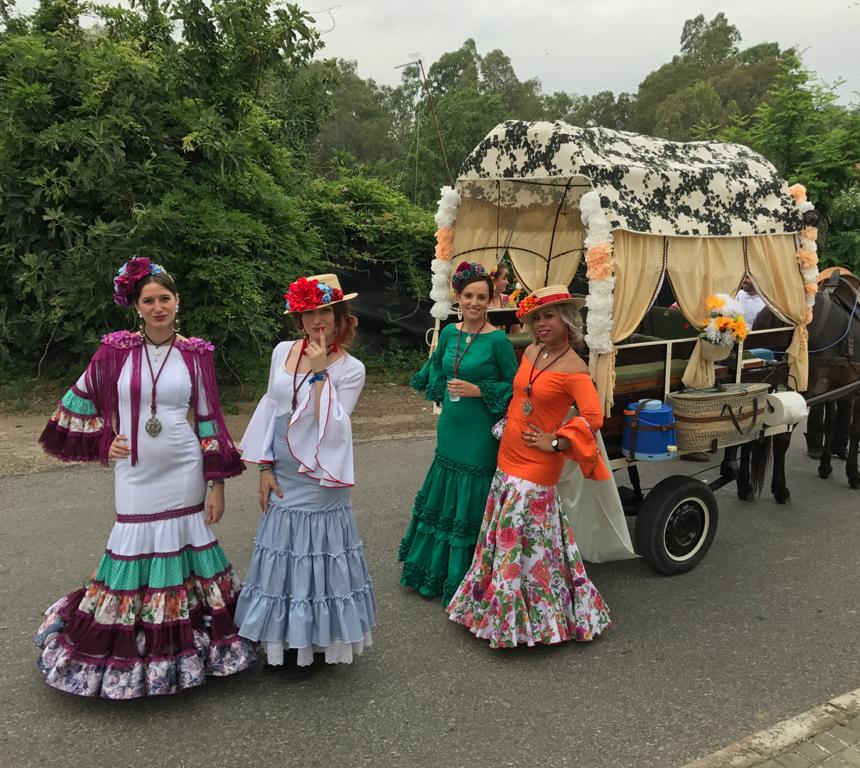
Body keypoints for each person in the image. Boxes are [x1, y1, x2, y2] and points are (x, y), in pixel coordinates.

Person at [35, 256, 255, 699]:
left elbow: (210, 420)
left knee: (186, 545)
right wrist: (104, 442)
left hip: (184, 466)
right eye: (149, 300)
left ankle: (191, 647)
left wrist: (217, 483)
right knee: (132, 544)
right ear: (135, 306)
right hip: (135, 472)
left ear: (177, 302)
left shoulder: (196, 354)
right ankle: (132, 648)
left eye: (165, 299)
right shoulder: (113, 351)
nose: (158, 308)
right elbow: (77, 401)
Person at [447, 285, 612, 648]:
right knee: (509, 539)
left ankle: (535, 623)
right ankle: (496, 613)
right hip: (508, 454)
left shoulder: (574, 368)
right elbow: (521, 395)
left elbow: (593, 416)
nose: (540, 324)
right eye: (536, 317)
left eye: (548, 316)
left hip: (538, 464)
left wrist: (556, 441)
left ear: (567, 319)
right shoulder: (532, 352)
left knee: (527, 543)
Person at [234, 274, 375, 675]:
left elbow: (328, 424)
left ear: (339, 316)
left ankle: (313, 643)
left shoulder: (351, 370)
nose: (318, 320)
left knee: (315, 555)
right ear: (299, 317)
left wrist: (317, 373)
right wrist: (262, 466)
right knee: (282, 552)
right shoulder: (281, 351)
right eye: (309, 311)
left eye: (326, 311)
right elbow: (269, 406)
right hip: (281, 468)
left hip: (318, 475)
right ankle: (281, 640)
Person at [398, 261, 518, 605]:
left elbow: (515, 386)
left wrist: (479, 390)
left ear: (491, 299)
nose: (475, 303)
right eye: (468, 296)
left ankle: (469, 576)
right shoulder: (449, 333)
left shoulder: (498, 341)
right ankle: (432, 571)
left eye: (482, 296)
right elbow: (436, 367)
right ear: (458, 297)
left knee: (471, 494)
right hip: (451, 423)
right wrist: (439, 386)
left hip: (480, 430)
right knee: (444, 489)